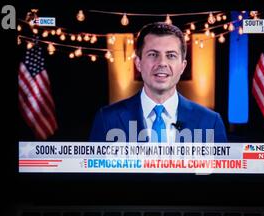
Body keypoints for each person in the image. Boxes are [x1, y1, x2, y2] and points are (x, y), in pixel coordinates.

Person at [89, 22, 227, 143]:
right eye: (153, 54)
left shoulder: (210, 122)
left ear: (182, 66)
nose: (162, 63)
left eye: (171, 55)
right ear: (138, 63)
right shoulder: (107, 119)